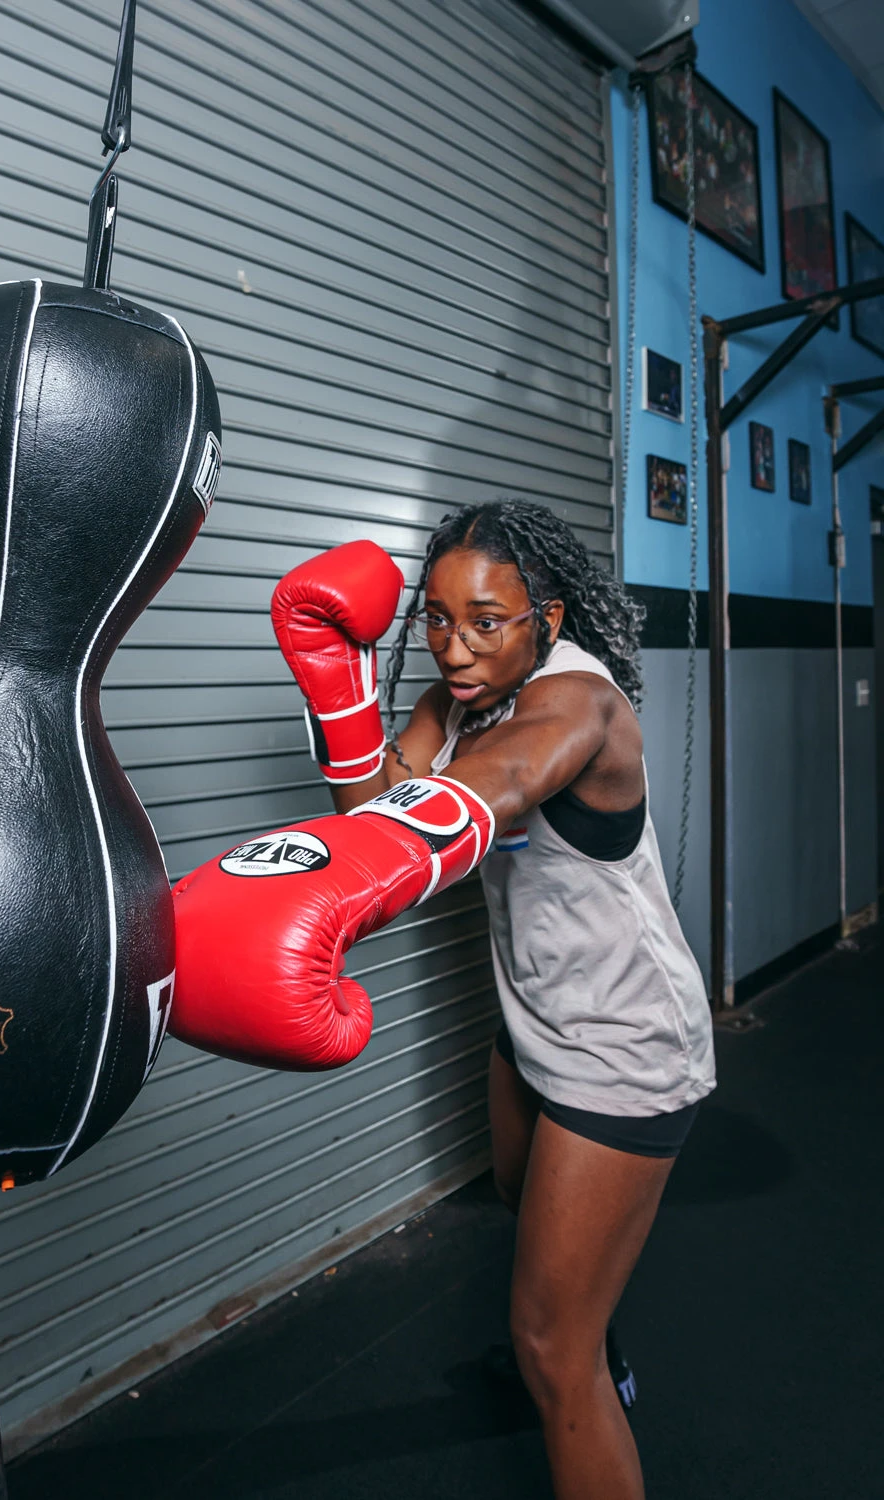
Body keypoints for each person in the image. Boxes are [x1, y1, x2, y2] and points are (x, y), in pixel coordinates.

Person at [169, 498, 715, 1500]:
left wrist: (284, 892)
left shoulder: (578, 705)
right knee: (516, 1190)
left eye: (487, 623)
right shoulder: (458, 699)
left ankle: (582, 1363)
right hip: (535, 1016)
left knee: (549, 1349)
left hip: (627, 1041)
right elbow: (371, 808)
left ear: (547, 620)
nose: (456, 649)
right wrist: (338, 689)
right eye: (437, 618)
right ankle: (591, 1338)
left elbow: (497, 784)